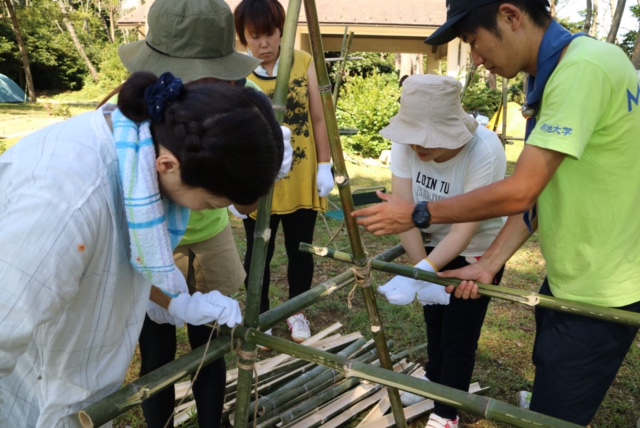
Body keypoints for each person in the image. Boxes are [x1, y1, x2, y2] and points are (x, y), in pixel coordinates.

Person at [353, 0, 640, 425]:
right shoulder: (555, 72)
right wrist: (488, 264)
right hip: (572, 271)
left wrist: (420, 213)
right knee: (548, 375)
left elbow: (520, 192)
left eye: (473, 40)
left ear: (510, 16)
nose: (476, 57)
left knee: (553, 416)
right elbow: (542, 194)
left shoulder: (582, 70)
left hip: (602, 283)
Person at [0, 71, 284, 427]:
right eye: (211, 203)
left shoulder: (140, 150)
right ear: (169, 167)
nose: (204, 212)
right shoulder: (64, 203)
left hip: (79, 380)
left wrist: (176, 301)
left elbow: (119, 261)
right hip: (26, 392)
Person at [116, 0, 293, 426]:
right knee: (157, 352)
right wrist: (173, 302)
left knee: (211, 345)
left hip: (210, 236)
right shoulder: (139, 111)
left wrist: (263, 171)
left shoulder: (240, 105)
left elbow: (245, 205)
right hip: (151, 243)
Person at [376, 74, 506, 428]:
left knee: (459, 337)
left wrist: (426, 271)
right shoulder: (405, 146)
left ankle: (447, 413)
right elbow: (405, 211)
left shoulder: (484, 149)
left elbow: (467, 226)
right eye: (414, 138)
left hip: (478, 250)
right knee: (435, 325)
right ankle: (435, 382)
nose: (419, 148)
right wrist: (422, 268)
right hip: (431, 241)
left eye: (428, 140)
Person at [233, 0, 334, 344]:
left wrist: (325, 165)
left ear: (282, 31)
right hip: (259, 181)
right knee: (257, 249)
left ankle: (297, 312)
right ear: (244, 37)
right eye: (254, 36)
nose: (263, 43)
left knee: (299, 249)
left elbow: (319, 119)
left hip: (301, 176)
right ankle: (259, 313)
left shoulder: (302, 62)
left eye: (270, 34)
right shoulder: (238, 73)